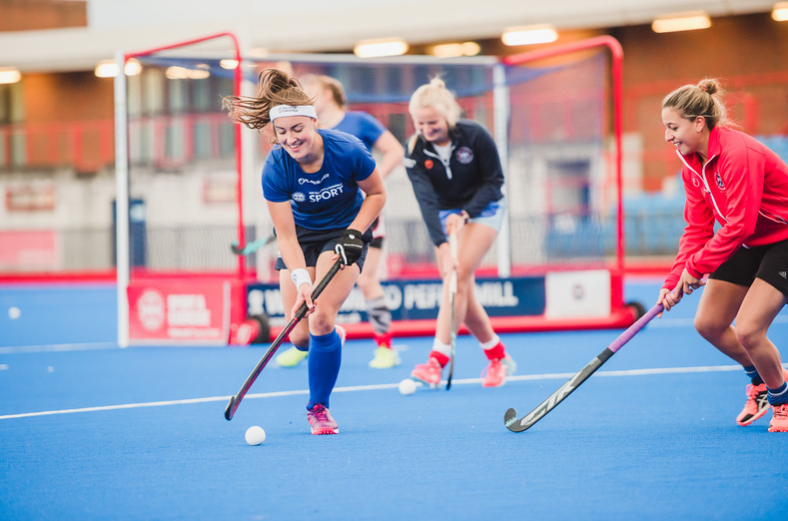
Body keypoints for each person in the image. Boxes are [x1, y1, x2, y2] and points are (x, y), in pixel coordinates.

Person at [223, 69, 385, 435]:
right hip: (300, 239)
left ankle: (318, 408)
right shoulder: (276, 168)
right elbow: (285, 237)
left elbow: (377, 194)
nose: (291, 139)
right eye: (282, 133)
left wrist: (355, 233)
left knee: (320, 319)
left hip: (344, 234)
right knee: (299, 335)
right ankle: (330, 337)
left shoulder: (347, 150)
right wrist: (301, 280)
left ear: (313, 121)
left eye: (298, 129)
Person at [659, 78, 788, 433]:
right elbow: (697, 229)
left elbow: (740, 225)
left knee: (748, 330)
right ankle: (762, 381)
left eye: (674, 127)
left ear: (698, 123)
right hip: (747, 241)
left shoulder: (737, 153)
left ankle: (783, 399)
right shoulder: (691, 162)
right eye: (665, 129)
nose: (668, 136)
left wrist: (698, 267)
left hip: (783, 240)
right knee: (709, 324)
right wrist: (674, 279)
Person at [275, 73, 405, 370]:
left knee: (368, 279)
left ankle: (385, 345)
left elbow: (396, 150)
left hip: (356, 214)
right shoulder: (300, 137)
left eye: (311, 93)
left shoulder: (357, 123)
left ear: (329, 93)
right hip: (312, 222)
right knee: (306, 325)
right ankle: (308, 339)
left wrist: (370, 182)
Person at [403, 77, 515, 388]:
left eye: (433, 122)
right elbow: (425, 201)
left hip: (485, 209)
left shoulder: (475, 135)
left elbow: (494, 182)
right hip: (444, 214)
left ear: (449, 114)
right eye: (420, 123)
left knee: (459, 277)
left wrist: (465, 214)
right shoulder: (413, 149)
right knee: (459, 287)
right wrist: (440, 243)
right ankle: (497, 356)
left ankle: (435, 362)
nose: (427, 130)